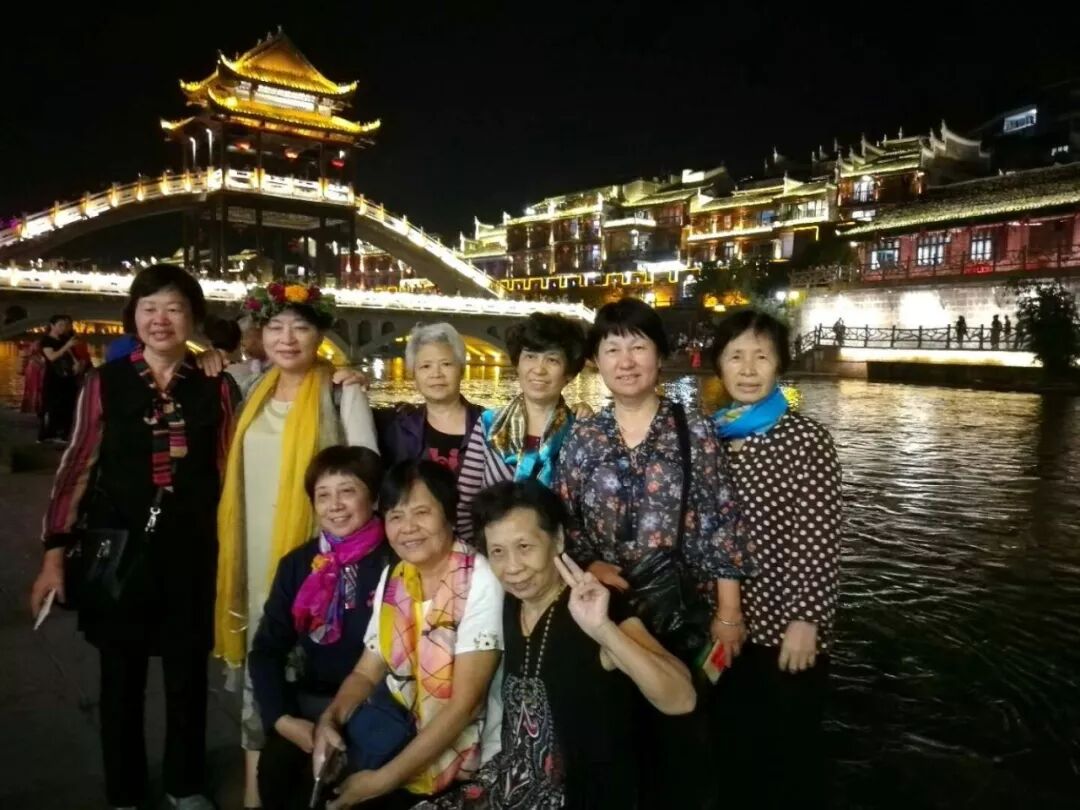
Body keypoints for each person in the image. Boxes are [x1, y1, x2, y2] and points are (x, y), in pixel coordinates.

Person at [29, 265, 237, 810]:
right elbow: (78, 466)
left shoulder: (215, 384)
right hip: (120, 550)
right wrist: (54, 552)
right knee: (119, 679)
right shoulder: (104, 382)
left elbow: (228, 471)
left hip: (192, 552)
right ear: (134, 317)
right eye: (149, 308)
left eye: (174, 308)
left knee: (188, 674)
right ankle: (124, 791)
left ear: (193, 318)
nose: (160, 319)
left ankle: (185, 784)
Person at [555, 296, 753, 809]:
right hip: (607, 608)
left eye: (638, 347)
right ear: (596, 362)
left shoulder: (693, 429)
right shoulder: (583, 436)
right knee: (614, 739)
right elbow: (565, 520)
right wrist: (590, 563)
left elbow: (720, 519)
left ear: (659, 355)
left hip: (679, 606)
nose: (626, 361)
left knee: (682, 738)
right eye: (612, 349)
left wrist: (729, 613)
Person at [418, 480, 696, 810]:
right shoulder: (510, 604)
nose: (513, 567)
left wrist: (604, 629)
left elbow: (682, 699)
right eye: (498, 552)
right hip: (508, 784)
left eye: (524, 547)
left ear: (558, 539)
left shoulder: (597, 605)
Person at [216, 280, 380, 809]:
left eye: (301, 327)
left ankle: (306, 776)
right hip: (250, 549)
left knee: (298, 662)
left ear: (320, 334)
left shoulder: (341, 392)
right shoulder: (250, 389)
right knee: (258, 658)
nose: (287, 338)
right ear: (259, 333)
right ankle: (254, 789)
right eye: (275, 327)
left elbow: (366, 476)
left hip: (313, 561)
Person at [313, 460, 504, 810]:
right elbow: (366, 671)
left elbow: (465, 705)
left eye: (421, 512)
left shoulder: (480, 579)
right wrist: (331, 718)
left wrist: (380, 782)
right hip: (400, 737)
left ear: (449, 515)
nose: (408, 528)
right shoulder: (396, 577)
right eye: (396, 516)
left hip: (464, 764)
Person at [709, 309, 842, 808]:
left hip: (781, 626)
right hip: (721, 623)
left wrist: (806, 619)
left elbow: (820, 535)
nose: (748, 369)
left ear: (779, 365)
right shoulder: (711, 436)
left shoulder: (805, 439)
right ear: (719, 366)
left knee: (787, 753)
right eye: (736, 357)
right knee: (728, 747)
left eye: (761, 357)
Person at [248, 446, 388, 810]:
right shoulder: (298, 564)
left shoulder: (397, 559)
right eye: (323, 495)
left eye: (347, 491)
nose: (335, 505)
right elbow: (266, 650)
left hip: (380, 706)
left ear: (374, 498)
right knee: (278, 774)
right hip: (309, 706)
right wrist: (283, 720)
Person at [456, 313, 587, 544]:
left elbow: (584, 514)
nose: (539, 369)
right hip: (493, 555)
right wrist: (479, 556)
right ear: (517, 364)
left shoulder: (580, 432)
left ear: (569, 374)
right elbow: (466, 504)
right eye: (530, 356)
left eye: (552, 360)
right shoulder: (489, 425)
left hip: (559, 557)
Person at [374, 322, 483, 475]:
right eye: (426, 366)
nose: (436, 374)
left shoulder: (490, 426)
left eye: (446, 364)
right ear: (413, 374)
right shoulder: (397, 426)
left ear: (462, 370)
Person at [38, 314, 80, 442]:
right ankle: (47, 434)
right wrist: (67, 346)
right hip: (54, 377)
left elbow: (70, 354)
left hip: (67, 376)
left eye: (64, 325)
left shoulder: (63, 338)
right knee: (52, 405)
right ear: (52, 325)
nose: (63, 328)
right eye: (60, 325)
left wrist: (76, 363)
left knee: (67, 404)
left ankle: (64, 433)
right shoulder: (46, 340)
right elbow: (52, 357)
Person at [18, 336, 46, 415]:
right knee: (34, 389)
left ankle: (31, 408)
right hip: (34, 369)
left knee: (34, 389)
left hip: (34, 369)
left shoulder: (34, 350)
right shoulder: (36, 351)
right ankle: (33, 408)